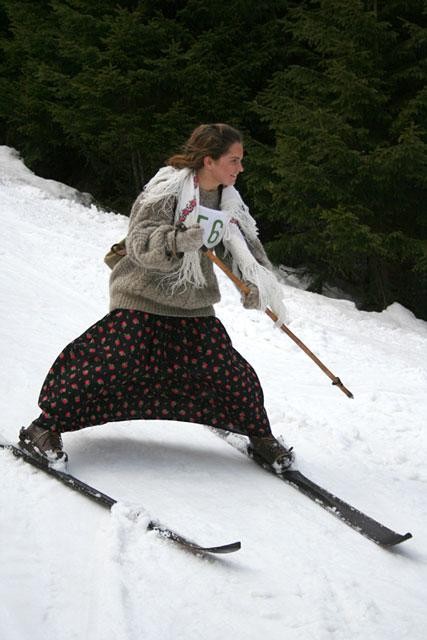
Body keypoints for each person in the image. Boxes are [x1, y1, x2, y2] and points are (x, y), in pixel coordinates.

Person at [19, 123, 294, 471]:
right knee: (108, 361)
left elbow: (243, 253)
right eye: (234, 160)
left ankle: (260, 436)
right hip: (142, 294)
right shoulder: (166, 189)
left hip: (192, 303)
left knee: (231, 373)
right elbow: (139, 240)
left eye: (240, 161)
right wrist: (180, 240)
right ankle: (42, 428)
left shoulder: (228, 203)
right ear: (208, 160)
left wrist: (255, 286)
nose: (240, 168)